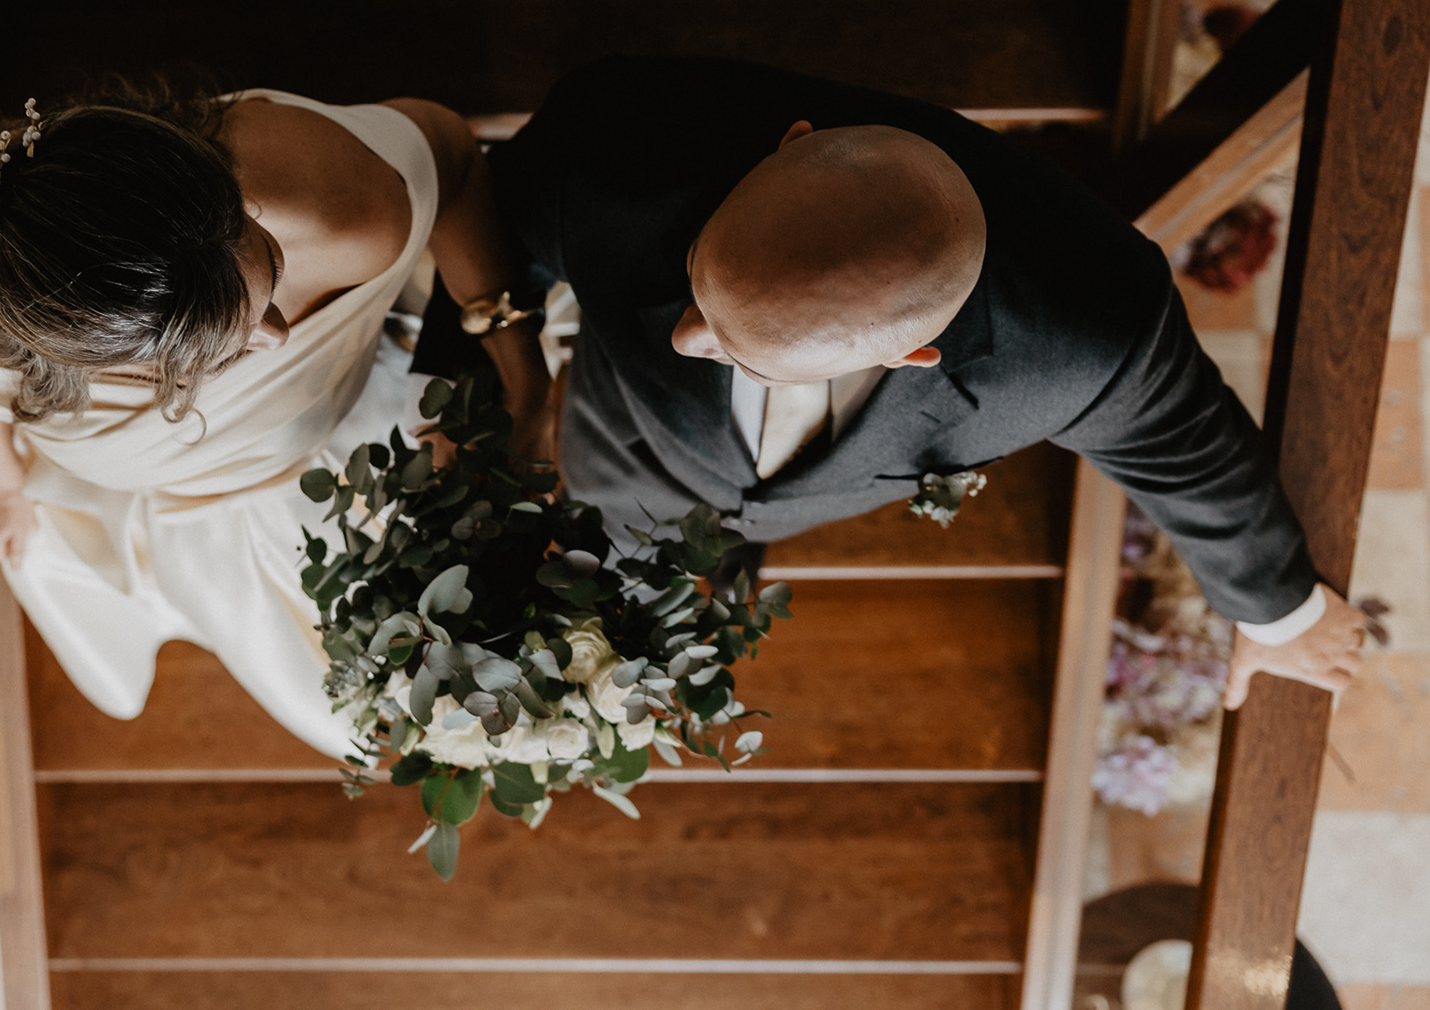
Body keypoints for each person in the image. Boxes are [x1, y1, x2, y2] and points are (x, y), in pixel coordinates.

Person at [489, 54, 1364, 709]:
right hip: (624, 434)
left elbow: (1186, 445)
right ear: (793, 144)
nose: (686, 338)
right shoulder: (613, 142)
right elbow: (501, 229)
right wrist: (509, 385)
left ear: (910, 354)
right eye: (700, 277)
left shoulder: (1085, 338)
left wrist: (1282, 614)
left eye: (740, 350)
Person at [0, 80, 551, 756]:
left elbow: (457, 163)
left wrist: (526, 384)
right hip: (191, 516)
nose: (278, 338)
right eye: (216, 358)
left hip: (356, 423)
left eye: (272, 265)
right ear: (75, 358)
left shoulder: (346, 209)